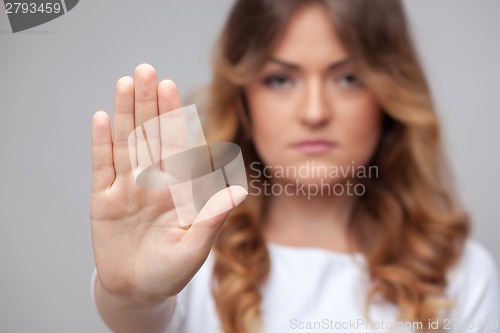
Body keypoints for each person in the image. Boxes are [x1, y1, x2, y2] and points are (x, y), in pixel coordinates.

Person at [90, 0, 500, 332]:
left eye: (349, 78)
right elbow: (140, 314)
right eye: (281, 80)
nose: (315, 112)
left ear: (389, 93)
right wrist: (131, 298)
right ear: (244, 98)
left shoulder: (461, 274)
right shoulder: (185, 252)